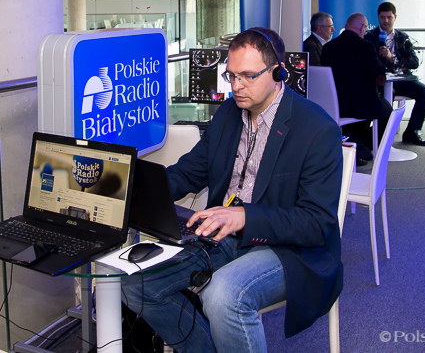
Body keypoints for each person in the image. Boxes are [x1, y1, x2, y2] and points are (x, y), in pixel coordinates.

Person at [123, 27, 344, 352]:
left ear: (278, 72)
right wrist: (134, 194)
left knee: (224, 295)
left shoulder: (317, 129)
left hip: (289, 248)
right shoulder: (229, 113)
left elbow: (315, 223)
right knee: (136, 284)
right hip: (223, 236)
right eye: (231, 75)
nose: (237, 86)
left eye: (248, 76)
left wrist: (244, 216)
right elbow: (189, 172)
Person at [322, 13, 392, 162]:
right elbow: (380, 78)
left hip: (336, 105)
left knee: (362, 117)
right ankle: (361, 144)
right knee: (388, 111)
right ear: (362, 28)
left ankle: (354, 142)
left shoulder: (328, 48)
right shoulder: (366, 46)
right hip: (361, 105)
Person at [364, 2, 425, 146]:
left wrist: (393, 58)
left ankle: (412, 132)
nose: (386, 21)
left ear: (395, 17)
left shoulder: (402, 37)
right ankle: (381, 135)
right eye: (383, 17)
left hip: (402, 79)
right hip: (380, 80)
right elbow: (366, 63)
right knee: (388, 94)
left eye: (389, 17)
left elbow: (414, 62)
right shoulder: (370, 37)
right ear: (378, 17)